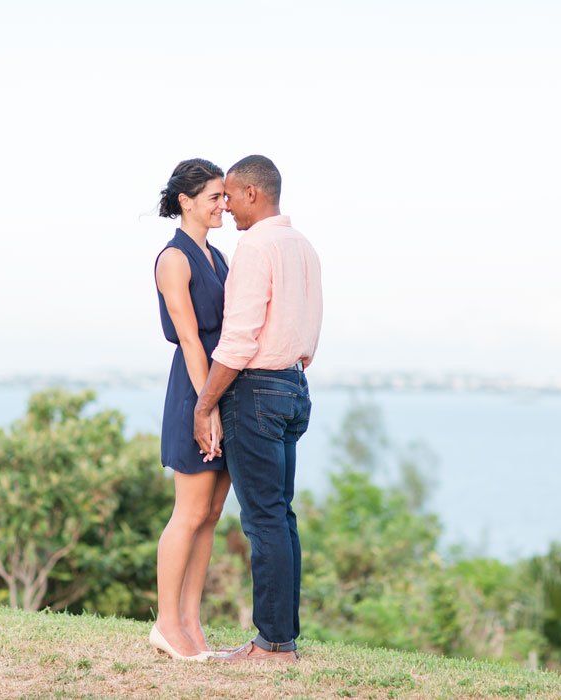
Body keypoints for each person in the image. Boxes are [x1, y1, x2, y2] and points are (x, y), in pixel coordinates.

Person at [194, 155, 323, 664]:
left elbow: (238, 337)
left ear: (251, 193)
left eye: (229, 195)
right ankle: (281, 641)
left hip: (256, 390)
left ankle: (272, 646)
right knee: (281, 518)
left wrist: (205, 403)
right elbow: (309, 331)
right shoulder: (304, 247)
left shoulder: (255, 247)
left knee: (264, 520)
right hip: (294, 386)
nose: (225, 204)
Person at [149, 158, 233, 662]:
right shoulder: (173, 259)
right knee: (189, 511)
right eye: (215, 197)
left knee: (212, 513)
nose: (224, 204)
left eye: (225, 196)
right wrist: (208, 408)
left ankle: (192, 625)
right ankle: (165, 623)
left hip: (220, 388)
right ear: (186, 201)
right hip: (194, 390)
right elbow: (189, 337)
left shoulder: (218, 257)